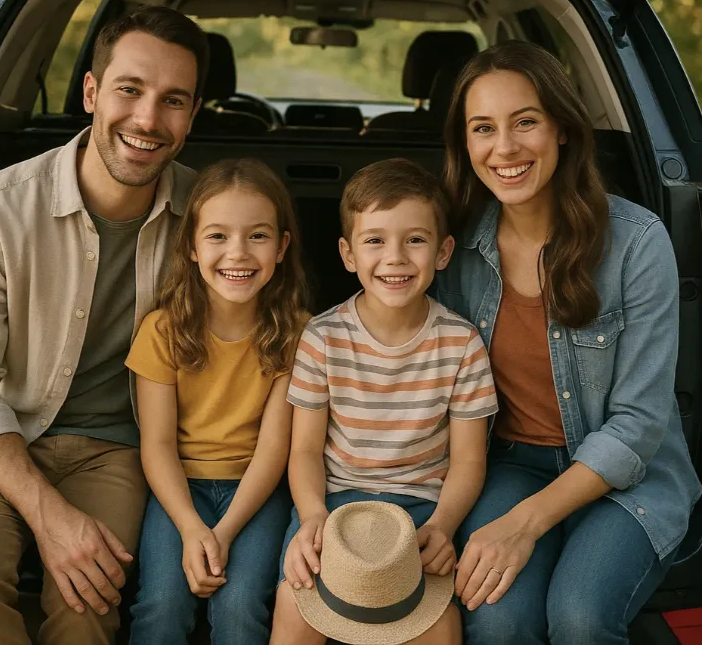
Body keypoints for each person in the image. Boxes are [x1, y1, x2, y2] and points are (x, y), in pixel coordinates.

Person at [0, 5, 209, 645]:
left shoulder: (207, 217)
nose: (146, 120)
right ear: (90, 92)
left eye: (173, 101)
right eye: (129, 90)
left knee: (89, 597)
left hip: (119, 448)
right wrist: (49, 515)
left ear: (192, 116)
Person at [434, 40, 702, 645]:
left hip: (626, 476)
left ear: (561, 128)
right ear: (466, 144)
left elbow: (637, 425)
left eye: (525, 121)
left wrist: (522, 526)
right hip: (510, 465)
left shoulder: (637, 241)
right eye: (483, 128)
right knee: (498, 622)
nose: (504, 148)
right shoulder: (454, 248)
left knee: (579, 618)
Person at [270, 158, 499, 645]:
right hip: (333, 505)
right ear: (348, 254)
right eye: (375, 240)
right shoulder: (323, 336)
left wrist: (444, 524)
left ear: (443, 252)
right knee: (296, 600)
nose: (395, 257)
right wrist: (311, 515)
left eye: (415, 239)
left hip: (422, 509)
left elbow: (468, 459)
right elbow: (306, 450)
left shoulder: (462, 343)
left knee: (439, 622)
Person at [126, 158, 308, 645]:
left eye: (258, 236)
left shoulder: (297, 334)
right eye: (218, 236)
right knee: (161, 604)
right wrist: (190, 528)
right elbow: (158, 444)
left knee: (243, 604)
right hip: (177, 491)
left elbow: (274, 449)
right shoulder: (162, 331)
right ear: (190, 247)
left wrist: (223, 532)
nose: (238, 253)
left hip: (256, 492)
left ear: (282, 247)